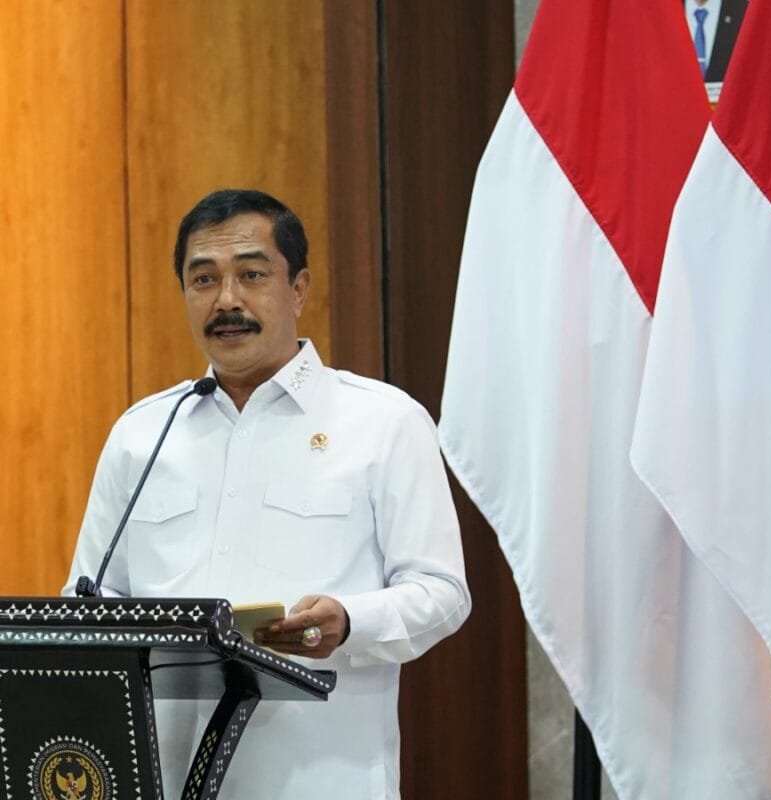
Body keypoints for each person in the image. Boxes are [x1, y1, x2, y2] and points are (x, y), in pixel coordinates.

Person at [64, 189, 471, 799]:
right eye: (204, 279)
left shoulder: (384, 421)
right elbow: (91, 599)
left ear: (298, 288)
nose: (227, 300)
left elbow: (442, 592)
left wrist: (349, 621)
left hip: (321, 779)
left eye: (251, 275)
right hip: (165, 777)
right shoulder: (143, 433)